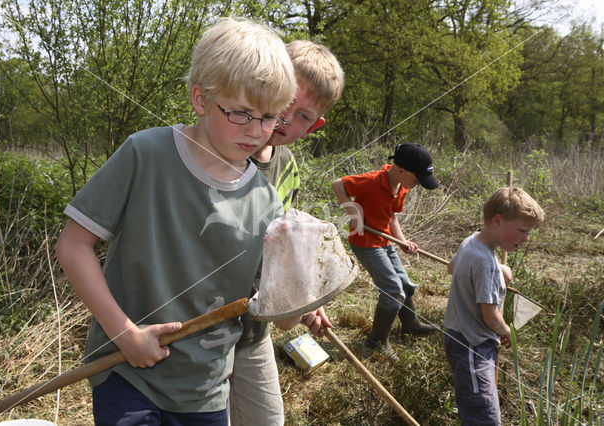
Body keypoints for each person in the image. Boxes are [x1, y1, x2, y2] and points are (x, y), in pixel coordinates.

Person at [54, 17, 296, 425]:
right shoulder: (144, 154)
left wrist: (302, 282)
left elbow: (280, 315)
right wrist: (125, 335)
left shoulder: (266, 200)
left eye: (270, 117)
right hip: (125, 369)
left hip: (205, 389)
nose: (256, 131)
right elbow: (73, 246)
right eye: (241, 113)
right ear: (200, 99)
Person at [228, 39, 344, 426]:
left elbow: (279, 249)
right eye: (284, 102)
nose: (286, 121)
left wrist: (303, 295)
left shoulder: (288, 165)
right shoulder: (225, 149)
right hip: (203, 328)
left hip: (251, 330)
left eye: (304, 116)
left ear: (316, 126)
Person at [443, 187, 545, 425]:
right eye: (521, 230)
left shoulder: (471, 243)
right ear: (498, 220)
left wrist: (499, 269)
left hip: (458, 337)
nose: (526, 238)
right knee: (484, 417)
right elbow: (491, 318)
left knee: (475, 407)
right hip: (474, 348)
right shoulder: (486, 263)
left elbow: (452, 267)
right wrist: (508, 332)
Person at [331, 143, 440, 357]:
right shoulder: (371, 181)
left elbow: (392, 217)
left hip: (385, 241)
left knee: (405, 284)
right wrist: (354, 213)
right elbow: (337, 184)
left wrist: (402, 241)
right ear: (400, 170)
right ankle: (375, 343)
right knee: (392, 290)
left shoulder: (402, 187)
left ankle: (411, 325)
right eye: (417, 179)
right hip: (365, 243)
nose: (418, 184)